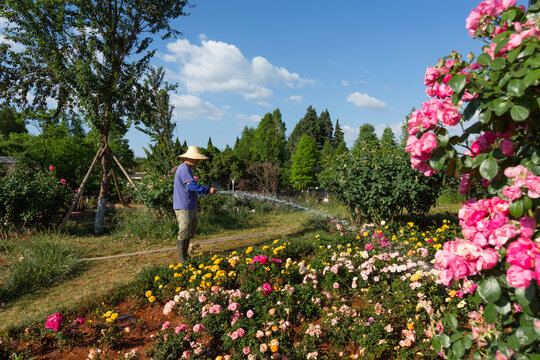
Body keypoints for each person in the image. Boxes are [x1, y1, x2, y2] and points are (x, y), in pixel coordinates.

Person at [173, 146, 217, 262]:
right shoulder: (184, 169)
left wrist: (195, 198)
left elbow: (188, 188)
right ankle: (182, 259)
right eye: (197, 159)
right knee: (184, 230)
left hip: (189, 205)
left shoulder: (188, 169)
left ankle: (185, 255)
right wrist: (207, 190)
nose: (198, 161)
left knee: (189, 230)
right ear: (190, 158)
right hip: (183, 206)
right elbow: (191, 185)